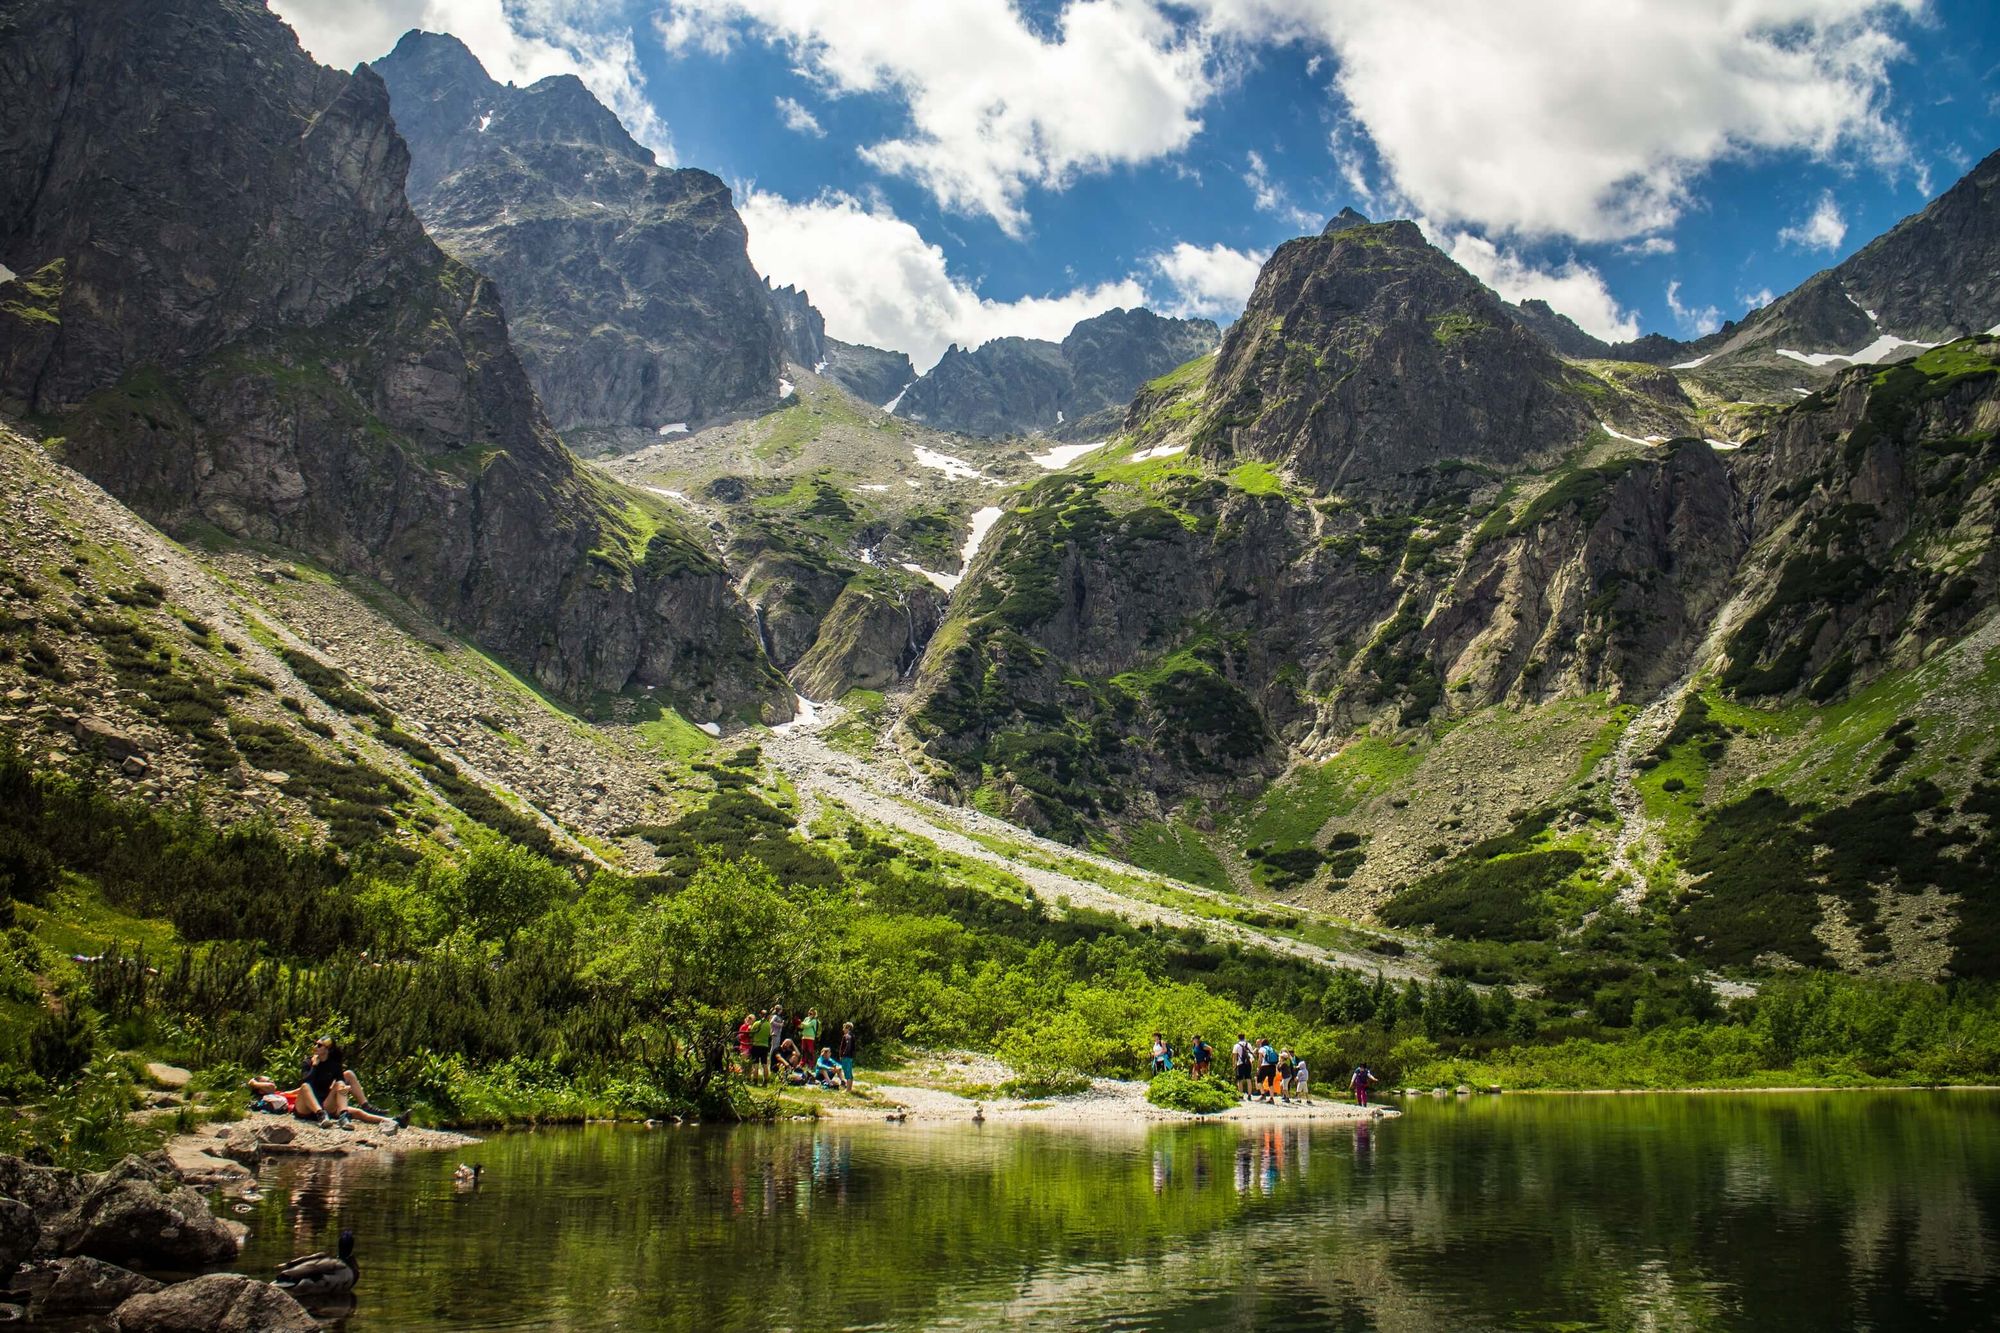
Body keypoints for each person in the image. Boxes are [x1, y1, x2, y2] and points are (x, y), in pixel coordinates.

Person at [252, 1037, 405, 1129]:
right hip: (305, 1108)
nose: (315, 1047)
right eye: (316, 1044)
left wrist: (342, 1090)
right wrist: (315, 1065)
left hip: (325, 1102)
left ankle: (394, 1121)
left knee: (349, 1098)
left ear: (328, 1050)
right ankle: (321, 1115)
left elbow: (339, 1083)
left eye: (319, 1045)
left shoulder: (334, 1065)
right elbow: (307, 1082)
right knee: (306, 1087)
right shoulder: (307, 1063)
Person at [750, 1010, 771, 1083]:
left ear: (760, 1015)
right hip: (765, 1046)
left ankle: (755, 1080)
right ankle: (765, 1081)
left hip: (756, 1045)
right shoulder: (768, 1025)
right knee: (764, 1064)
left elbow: (751, 1034)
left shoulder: (756, 1023)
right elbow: (769, 1035)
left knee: (755, 1063)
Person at [837, 1022, 859, 1091]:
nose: (843, 1029)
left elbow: (847, 1047)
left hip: (846, 1056)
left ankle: (848, 1089)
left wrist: (843, 1055)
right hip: (849, 1056)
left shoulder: (847, 1036)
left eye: (844, 1028)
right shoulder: (851, 1035)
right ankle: (849, 1088)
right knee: (849, 1072)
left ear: (848, 1028)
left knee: (847, 1072)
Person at [1257, 1038, 1279, 1104]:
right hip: (1272, 1067)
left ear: (1262, 1044)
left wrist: (1258, 1067)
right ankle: (1271, 1098)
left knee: (1259, 1080)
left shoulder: (1262, 1049)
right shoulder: (1271, 1048)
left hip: (1265, 1066)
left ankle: (1263, 1095)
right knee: (1270, 1083)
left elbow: (1260, 1059)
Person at [1232, 1033, 1253, 1100]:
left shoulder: (1236, 1045)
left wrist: (1234, 1065)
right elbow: (1251, 1054)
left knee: (1240, 1079)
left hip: (1240, 1063)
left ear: (1238, 1038)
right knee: (1248, 1079)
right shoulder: (1248, 1044)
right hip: (1248, 1063)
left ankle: (1241, 1095)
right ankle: (1249, 1095)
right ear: (1244, 1037)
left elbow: (1235, 1056)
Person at [768, 1006, 788, 1076]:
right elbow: (771, 1022)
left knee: (775, 1047)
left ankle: (772, 1060)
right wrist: (780, 1024)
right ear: (779, 1010)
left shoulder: (778, 1016)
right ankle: (771, 1061)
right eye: (781, 1009)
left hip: (778, 1034)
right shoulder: (775, 1016)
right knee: (774, 1048)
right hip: (775, 1033)